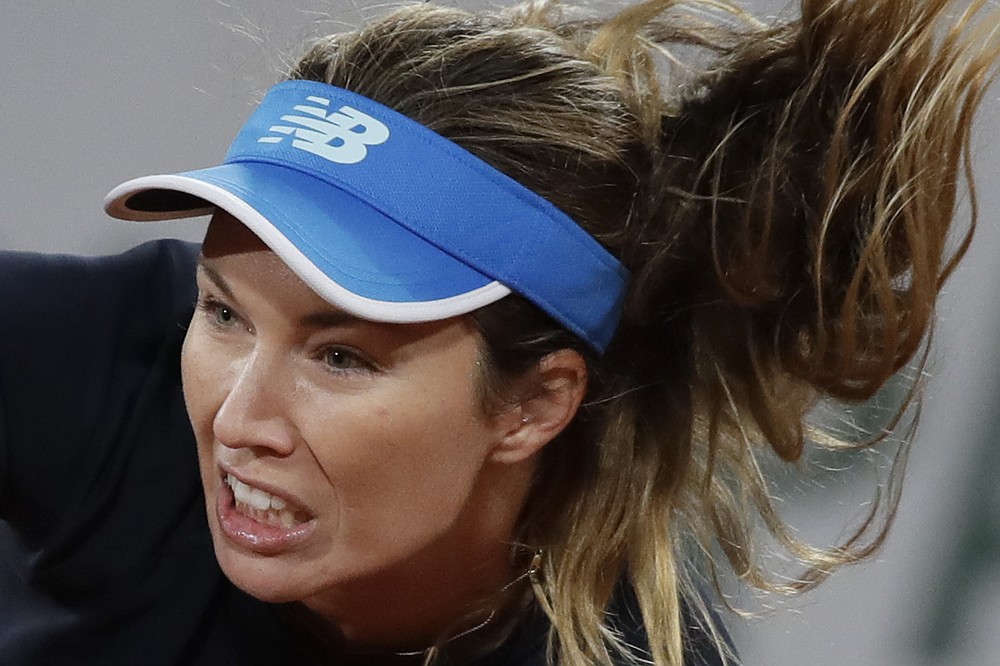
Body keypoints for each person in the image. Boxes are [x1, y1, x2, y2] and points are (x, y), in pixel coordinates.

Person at [1, 0, 997, 664]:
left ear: (534, 403)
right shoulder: (123, 356)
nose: (240, 415)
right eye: (223, 312)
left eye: (341, 355)